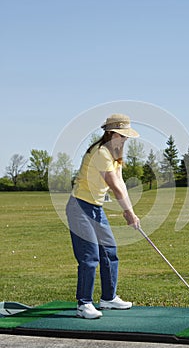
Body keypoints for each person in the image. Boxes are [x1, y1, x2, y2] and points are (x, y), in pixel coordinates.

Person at [66, 114, 140, 319]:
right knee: (90, 256)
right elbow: (115, 187)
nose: (125, 140)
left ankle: (108, 298)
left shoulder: (115, 156)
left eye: (126, 136)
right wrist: (128, 212)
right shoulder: (101, 153)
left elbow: (121, 183)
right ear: (111, 133)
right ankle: (84, 304)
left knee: (109, 251)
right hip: (79, 207)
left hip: (95, 208)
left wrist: (130, 211)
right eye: (122, 136)